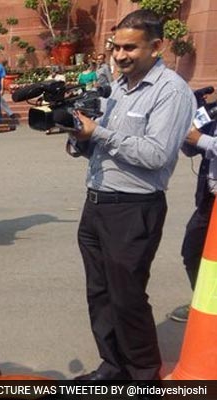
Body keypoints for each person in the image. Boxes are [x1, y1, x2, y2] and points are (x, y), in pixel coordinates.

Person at [70, 9, 195, 381]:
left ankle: (143, 375)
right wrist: (79, 140)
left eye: (130, 48)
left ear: (156, 46)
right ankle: (113, 365)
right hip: (96, 205)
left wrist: (99, 134)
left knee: (127, 298)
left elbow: (157, 154)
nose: (120, 55)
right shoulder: (117, 88)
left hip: (134, 208)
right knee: (101, 294)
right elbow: (101, 145)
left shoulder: (171, 91)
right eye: (116, 47)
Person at [170, 114, 217, 322]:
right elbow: (191, 148)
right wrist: (188, 130)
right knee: (192, 251)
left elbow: (202, 142)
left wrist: (202, 140)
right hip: (209, 200)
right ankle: (205, 303)